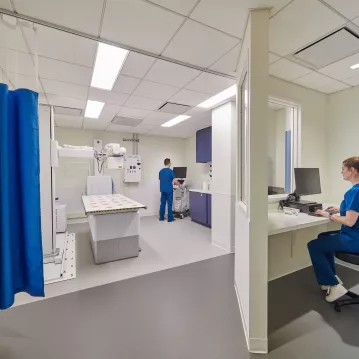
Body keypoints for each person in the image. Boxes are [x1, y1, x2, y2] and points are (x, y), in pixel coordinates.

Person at [308, 157, 359, 302]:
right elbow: (355, 210)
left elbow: (349, 221)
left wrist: (328, 215)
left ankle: (333, 285)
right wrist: (340, 208)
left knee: (314, 246)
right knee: (322, 236)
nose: (341, 172)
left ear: (352, 170)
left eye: (343, 169)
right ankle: (329, 279)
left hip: (354, 239)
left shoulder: (354, 192)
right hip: (355, 235)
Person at [159, 158, 181, 222]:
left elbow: (161, 179)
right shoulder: (170, 171)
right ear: (169, 163)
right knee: (169, 204)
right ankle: (170, 219)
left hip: (162, 190)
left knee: (162, 204)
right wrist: (179, 184)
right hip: (169, 190)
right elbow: (174, 180)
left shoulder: (160, 171)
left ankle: (161, 218)